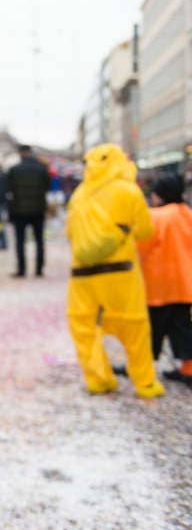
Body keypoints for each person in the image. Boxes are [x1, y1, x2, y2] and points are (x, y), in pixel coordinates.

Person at [66, 144, 164, 398]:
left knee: (85, 326)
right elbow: (145, 231)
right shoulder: (128, 192)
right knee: (134, 326)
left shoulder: (79, 195)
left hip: (82, 274)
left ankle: (99, 379)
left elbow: (70, 234)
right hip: (121, 272)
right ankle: (145, 383)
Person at [137, 174, 192, 387]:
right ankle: (188, 369)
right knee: (182, 328)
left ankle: (142, 368)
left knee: (152, 329)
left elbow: (141, 248)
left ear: (160, 195)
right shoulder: (187, 214)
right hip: (185, 285)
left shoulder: (156, 216)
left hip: (159, 286)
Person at [6, 145, 50, 278]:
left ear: (20, 153)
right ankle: (39, 269)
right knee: (39, 240)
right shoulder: (42, 169)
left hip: (19, 211)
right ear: (31, 153)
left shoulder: (14, 170)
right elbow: (47, 187)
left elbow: (9, 190)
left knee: (20, 241)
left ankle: (21, 270)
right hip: (38, 210)